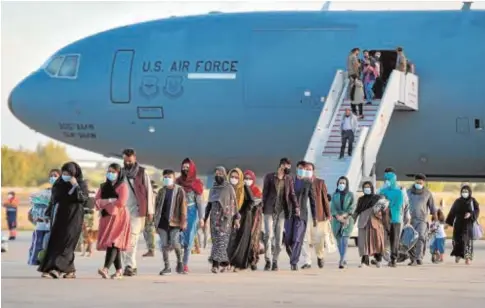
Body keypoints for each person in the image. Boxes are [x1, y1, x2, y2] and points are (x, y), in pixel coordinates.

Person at [38, 162, 88, 279]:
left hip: (74, 217)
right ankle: (66, 270)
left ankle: (57, 269)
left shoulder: (81, 184)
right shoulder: (59, 183)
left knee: (67, 243)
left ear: (74, 174)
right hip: (61, 216)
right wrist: (48, 213)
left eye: (68, 173)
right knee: (56, 242)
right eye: (64, 173)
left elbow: (83, 199)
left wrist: (75, 186)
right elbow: (54, 198)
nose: (66, 175)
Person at [261, 158, 300, 271]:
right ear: (281, 166)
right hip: (269, 209)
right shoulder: (269, 177)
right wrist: (262, 206)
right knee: (268, 234)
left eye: (289, 167)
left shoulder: (289, 179)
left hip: (282, 211)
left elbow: (292, 194)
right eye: (287, 167)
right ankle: (267, 260)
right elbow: (265, 193)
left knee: (278, 238)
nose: (288, 169)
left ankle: (275, 261)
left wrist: (296, 207)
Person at [121, 148, 154, 277]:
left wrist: (150, 211)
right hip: (123, 210)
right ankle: (128, 265)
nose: (128, 162)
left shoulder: (142, 172)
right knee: (123, 239)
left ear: (134, 158)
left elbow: (149, 191)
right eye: (125, 160)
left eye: (130, 160)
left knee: (132, 238)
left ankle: (130, 265)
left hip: (137, 210)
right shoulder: (121, 173)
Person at [95, 163, 131, 279]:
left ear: (119, 173)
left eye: (113, 172)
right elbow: (97, 201)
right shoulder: (103, 186)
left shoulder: (122, 186)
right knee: (113, 244)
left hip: (119, 218)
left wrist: (105, 201)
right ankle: (119, 271)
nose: (110, 174)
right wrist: (111, 200)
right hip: (106, 217)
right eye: (109, 171)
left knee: (114, 242)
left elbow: (121, 202)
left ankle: (105, 269)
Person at [204, 166, 240, 273]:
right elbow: (209, 205)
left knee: (221, 241)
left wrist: (237, 218)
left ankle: (215, 265)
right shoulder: (213, 189)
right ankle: (225, 263)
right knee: (216, 242)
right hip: (214, 219)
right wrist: (204, 219)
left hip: (225, 219)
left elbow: (235, 204)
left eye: (220, 173)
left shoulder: (229, 188)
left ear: (224, 174)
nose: (218, 175)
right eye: (216, 173)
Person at [227, 169, 263, 271]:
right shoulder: (229, 188)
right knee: (231, 240)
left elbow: (251, 202)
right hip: (233, 217)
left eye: (236, 177)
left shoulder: (245, 188)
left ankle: (242, 263)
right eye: (232, 177)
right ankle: (229, 263)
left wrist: (244, 211)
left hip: (247, 218)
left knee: (243, 241)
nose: (234, 179)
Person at [176, 158, 206, 273]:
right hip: (179, 213)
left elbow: (199, 202)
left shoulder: (196, 184)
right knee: (177, 238)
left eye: (187, 168)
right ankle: (179, 261)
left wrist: (201, 218)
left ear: (192, 169)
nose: (185, 169)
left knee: (188, 240)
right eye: (183, 167)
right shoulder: (178, 182)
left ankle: (184, 264)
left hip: (192, 212)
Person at [155, 169, 187, 275]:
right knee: (164, 245)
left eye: (169, 177)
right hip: (162, 223)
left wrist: (183, 221)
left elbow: (183, 207)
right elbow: (157, 207)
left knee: (175, 242)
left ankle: (180, 262)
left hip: (175, 222)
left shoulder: (179, 190)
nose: (167, 179)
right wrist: (155, 222)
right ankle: (167, 267)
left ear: (174, 178)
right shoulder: (161, 191)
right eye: (165, 177)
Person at [301, 162, 332, 269]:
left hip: (318, 215)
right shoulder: (301, 182)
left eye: (309, 169)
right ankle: (307, 261)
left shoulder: (320, 183)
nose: (307, 171)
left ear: (313, 171)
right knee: (305, 239)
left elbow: (325, 200)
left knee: (319, 239)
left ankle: (320, 256)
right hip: (305, 215)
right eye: (306, 169)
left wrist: (328, 214)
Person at [27, 169, 60, 266]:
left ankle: (51, 262)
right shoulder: (45, 192)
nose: (53, 177)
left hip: (55, 223)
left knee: (52, 244)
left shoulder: (63, 192)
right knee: (38, 242)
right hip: (42, 221)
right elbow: (35, 206)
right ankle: (34, 260)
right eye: (51, 175)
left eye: (55, 175)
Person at [287, 161, 316, 271]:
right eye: (300, 168)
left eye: (304, 168)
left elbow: (313, 201)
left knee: (297, 238)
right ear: (297, 168)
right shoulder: (290, 181)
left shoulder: (308, 183)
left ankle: (294, 262)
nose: (302, 170)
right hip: (290, 214)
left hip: (302, 215)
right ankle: (293, 255)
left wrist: (314, 217)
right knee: (288, 239)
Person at [352, 181, 389, 268]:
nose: (366, 189)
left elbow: (384, 212)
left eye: (368, 187)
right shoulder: (361, 199)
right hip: (364, 223)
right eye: (365, 187)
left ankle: (378, 259)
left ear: (372, 188)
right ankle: (364, 261)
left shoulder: (378, 198)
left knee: (377, 241)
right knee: (364, 243)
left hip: (376, 223)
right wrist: (351, 221)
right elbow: (357, 211)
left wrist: (386, 224)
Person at [446, 185, 480, 265]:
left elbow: (477, 210)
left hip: (468, 224)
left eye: (466, 191)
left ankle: (467, 258)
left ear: (469, 192)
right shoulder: (457, 201)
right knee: (457, 241)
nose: (464, 193)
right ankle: (458, 255)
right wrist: (448, 223)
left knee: (467, 241)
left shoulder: (473, 201)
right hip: (458, 224)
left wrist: (470, 214)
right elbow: (452, 212)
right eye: (463, 191)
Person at [407, 173, 436, 266]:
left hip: (422, 220)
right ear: (414, 181)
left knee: (421, 237)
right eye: (417, 180)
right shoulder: (408, 192)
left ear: (423, 182)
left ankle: (419, 257)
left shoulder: (427, 193)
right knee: (410, 239)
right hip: (409, 219)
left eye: (421, 181)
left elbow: (432, 206)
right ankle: (412, 258)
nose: (418, 182)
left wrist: (434, 215)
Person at [379, 170, 407, 267]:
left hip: (395, 219)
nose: (386, 181)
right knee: (382, 239)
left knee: (394, 240)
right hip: (384, 219)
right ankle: (378, 257)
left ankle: (393, 259)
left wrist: (387, 205)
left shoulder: (399, 192)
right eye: (385, 180)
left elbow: (398, 205)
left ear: (393, 180)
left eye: (388, 180)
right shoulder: (382, 191)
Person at [330, 176, 355, 269]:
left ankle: (341, 260)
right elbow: (332, 208)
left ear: (346, 184)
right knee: (339, 240)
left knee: (344, 239)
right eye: (340, 183)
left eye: (343, 183)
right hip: (336, 220)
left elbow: (352, 207)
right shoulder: (334, 195)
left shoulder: (350, 195)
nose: (342, 185)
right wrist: (338, 217)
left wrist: (345, 216)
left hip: (347, 219)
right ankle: (342, 258)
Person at [142, 180, 158, 258]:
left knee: (149, 232)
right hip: (147, 215)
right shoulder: (150, 195)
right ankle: (150, 249)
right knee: (146, 232)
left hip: (150, 216)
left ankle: (151, 250)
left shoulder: (153, 195)